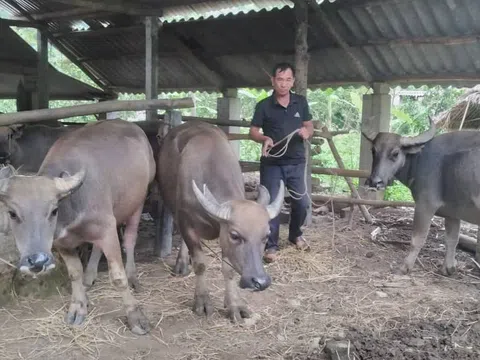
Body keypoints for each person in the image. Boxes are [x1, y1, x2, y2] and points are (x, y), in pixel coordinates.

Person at [249, 62, 314, 263]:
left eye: (288, 80)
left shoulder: (300, 103)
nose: (284, 84)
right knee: (272, 204)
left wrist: (306, 132)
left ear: (293, 81)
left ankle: (295, 234)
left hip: (296, 161)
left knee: (302, 203)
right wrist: (264, 139)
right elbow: (253, 131)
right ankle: (271, 246)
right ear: (273, 81)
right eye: (280, 79)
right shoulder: (263, 106)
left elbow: (309, 126)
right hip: (272, 163)